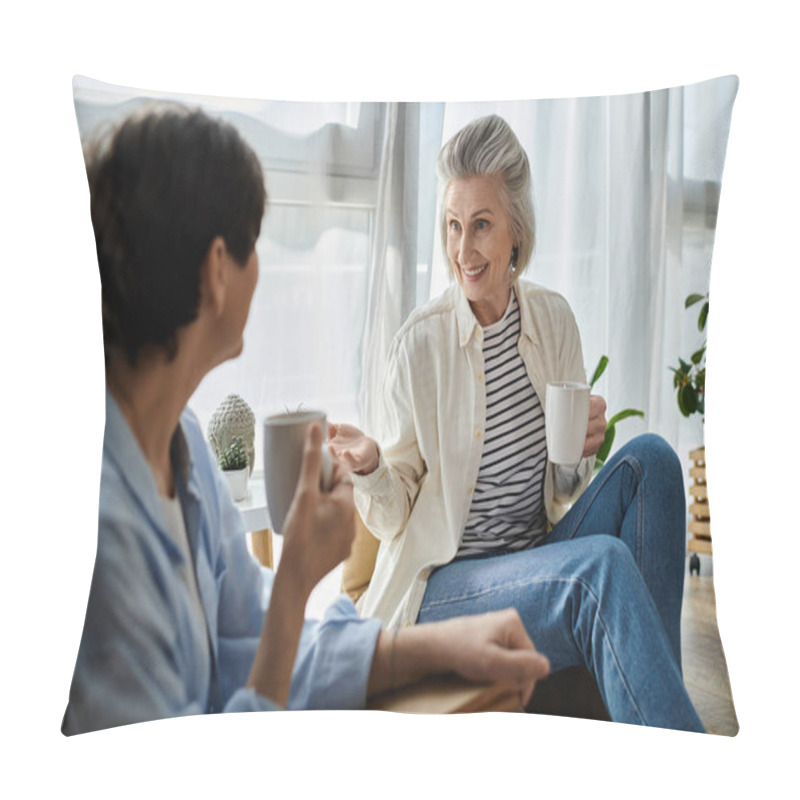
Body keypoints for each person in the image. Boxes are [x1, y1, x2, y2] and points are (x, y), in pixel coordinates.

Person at [61, 104, 551, 735]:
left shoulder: (180, 447)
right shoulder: (98, 527)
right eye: (254, 241)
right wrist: (296, 579)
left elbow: (252, 642)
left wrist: (431, 650)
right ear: (217, 270)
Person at [328, 114, 705, 732]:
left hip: (535, 555)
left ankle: (654, 717)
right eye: (453, 226)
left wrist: (575, 455)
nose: (463, 249)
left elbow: (561, 496)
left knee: (656, 460)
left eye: (481, 225)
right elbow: (394, 517)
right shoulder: (419, 346)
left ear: (515, 233)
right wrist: (372, 468)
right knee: (599, 568)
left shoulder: (553, 321)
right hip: (445, 587)